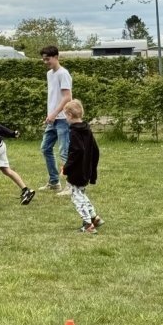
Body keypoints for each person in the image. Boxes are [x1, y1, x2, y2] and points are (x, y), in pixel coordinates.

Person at [62, 99, 104, 234]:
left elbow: (77, 151)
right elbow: (95, 150)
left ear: (69, 115)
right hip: (86, 169)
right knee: (81, 193)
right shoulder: (87, 129)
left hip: (77, 171)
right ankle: (94, 217)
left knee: (76, 197)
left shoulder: (74, 132)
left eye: (65, 115)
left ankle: (88, 225)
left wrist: (67, 167)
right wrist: (92, 168)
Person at [38, 45, 73, 195]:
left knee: (64, 152)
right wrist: (50, 115)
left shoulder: (63, 74)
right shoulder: (49, 74)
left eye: (48, 59)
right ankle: (54, 182)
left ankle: (71, 186)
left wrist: (55, 113)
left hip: (63, 119)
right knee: (46, 148)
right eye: (44, 59)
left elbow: (67, 97)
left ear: (56, 57)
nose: (46, 62)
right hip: (52, 119)